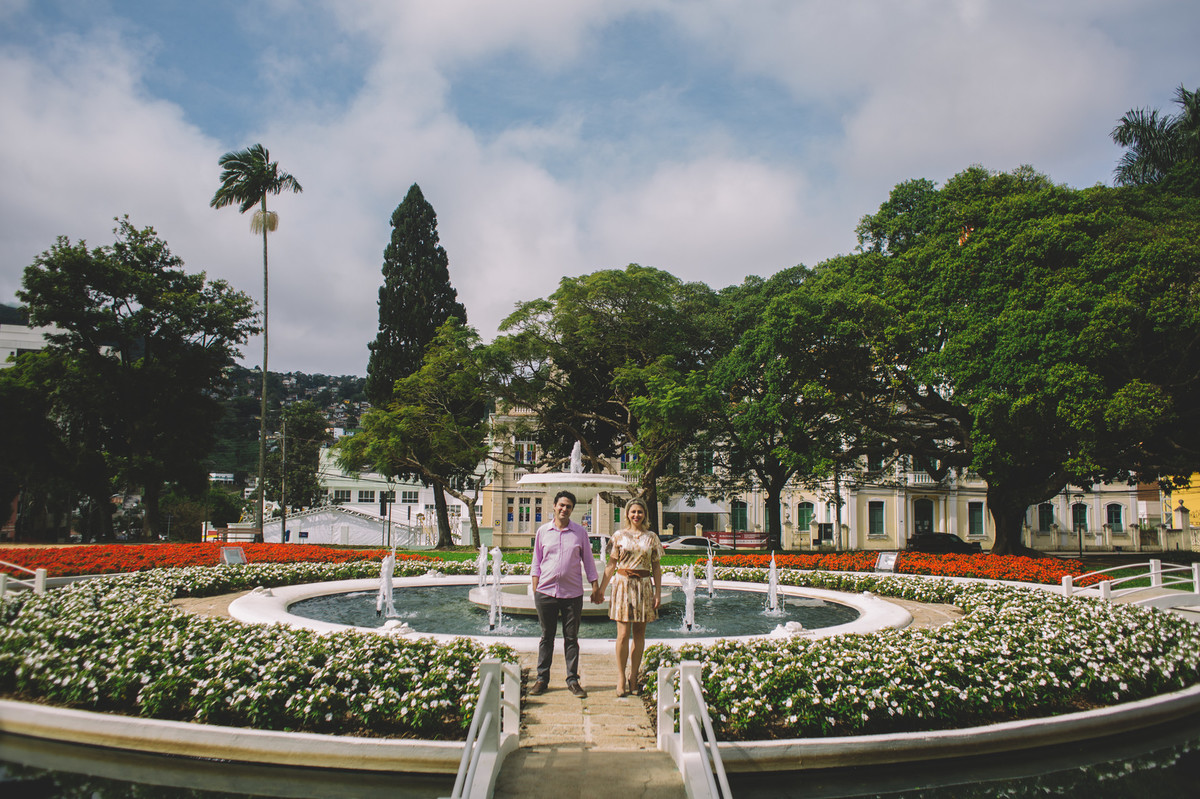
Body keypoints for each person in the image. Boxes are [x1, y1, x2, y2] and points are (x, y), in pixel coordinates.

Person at [530, 490, 600, 698]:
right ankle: (542, 679)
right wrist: (535, 589)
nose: (564, 509)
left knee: (571, 638)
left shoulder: (579, 533)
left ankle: (572, 680)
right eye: (561, 505)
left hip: (572, 595)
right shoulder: (543, 532)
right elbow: (536, 562)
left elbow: (588, 561)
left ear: (572, 509)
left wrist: (595, 586)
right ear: (554, 506)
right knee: (546, 637)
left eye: (568, 506)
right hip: (546, 592)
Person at [592, 498, 664, 697]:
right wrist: (601, 590)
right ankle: (621, 676)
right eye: (633, 512)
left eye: (640, 512)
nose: (636, 515)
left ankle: (634, 676)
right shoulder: (619, 536)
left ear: (645, 515)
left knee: (640, 634)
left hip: (643, 586)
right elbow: (611, 565)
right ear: (627, 514)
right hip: (623, 586)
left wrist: (658, 592)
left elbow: (656, 566)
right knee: (623, 634)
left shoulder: (652, 537)